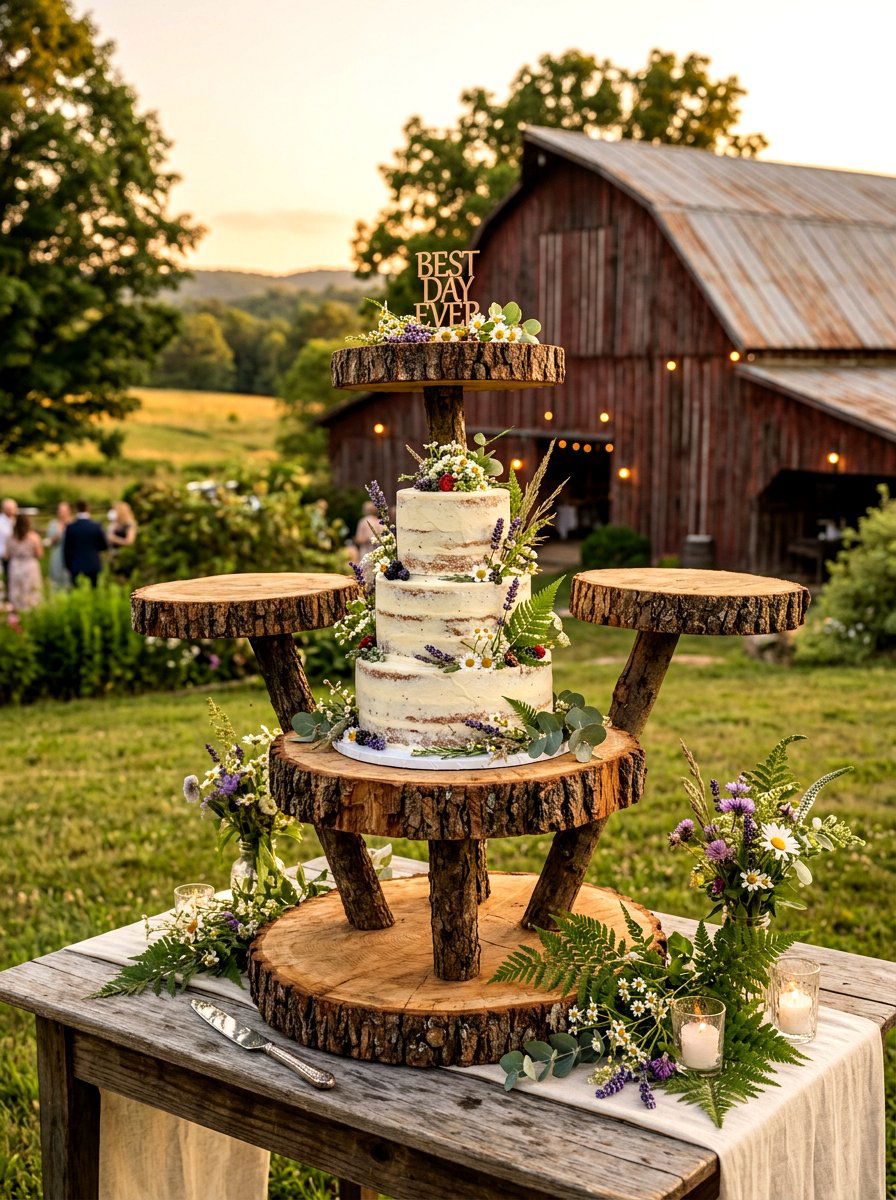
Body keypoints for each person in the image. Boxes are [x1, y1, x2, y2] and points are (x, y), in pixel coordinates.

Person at [63, 500, 108, 587]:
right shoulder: (96, 526)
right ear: (88, 509)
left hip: (76, 564)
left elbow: (67, 550)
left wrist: (68, 566)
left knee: (77, 591)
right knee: (94, 590)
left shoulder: (71, 527)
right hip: (93, 563)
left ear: (77, 509)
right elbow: (104, 546)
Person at [5, 513, 43, 612]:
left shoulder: (10, 538)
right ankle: (31, 613)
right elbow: (39, 554)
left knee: (16, 590)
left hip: (15, 565)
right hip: (29, 565)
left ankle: (16, 615)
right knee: (31, 590)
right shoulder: (34, 537)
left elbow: (6, 555)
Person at [44, 501, 72, 590]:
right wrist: (58, 535)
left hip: (70, 555)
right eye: (60, 511)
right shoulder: (52, 524)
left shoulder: (73, 524)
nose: (62, 513)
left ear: (69, 511)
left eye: (64, 511)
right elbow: (49, 542)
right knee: (56, 582)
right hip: (57, 554)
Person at [0, 497, 18, 599]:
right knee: (6, 577)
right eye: (10, 509)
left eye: (14, 509)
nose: (13, 511)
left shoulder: (15, 521)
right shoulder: (1, 522)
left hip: (15, 555)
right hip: (3, 554)